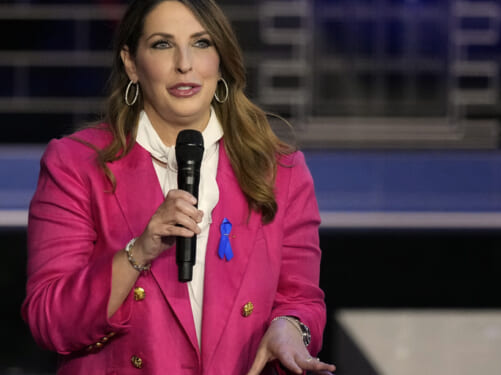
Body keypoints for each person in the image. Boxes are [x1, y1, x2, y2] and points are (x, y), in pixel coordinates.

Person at [21, 1, 336, 374]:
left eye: (201, 43)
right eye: (163, 44)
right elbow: (49, 319)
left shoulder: (280, 171)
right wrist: (140, 250)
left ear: (221, 60)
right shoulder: (75, 165)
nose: (184, 63)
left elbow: (301, 300)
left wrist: (291, 328)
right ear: (131, 63)